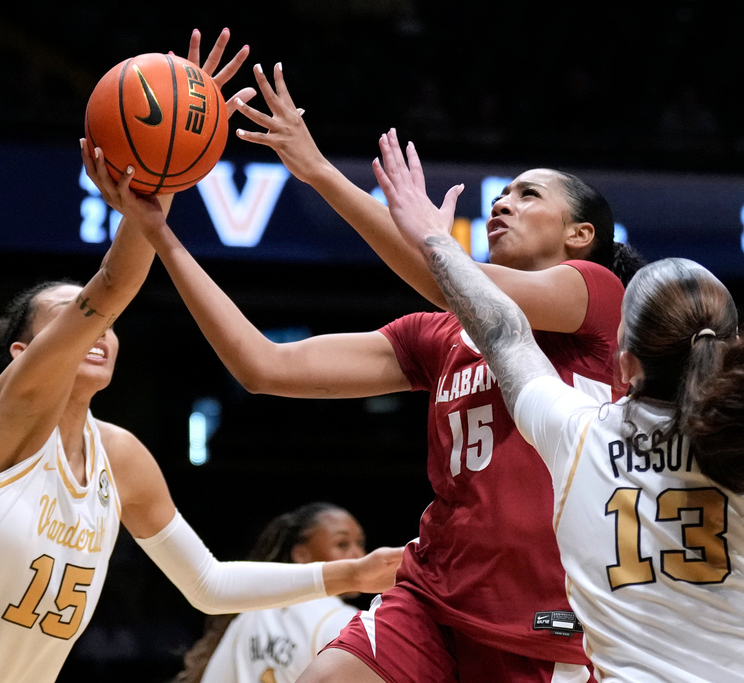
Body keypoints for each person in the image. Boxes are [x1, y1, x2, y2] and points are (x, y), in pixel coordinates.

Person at [0, 31, 402, 683]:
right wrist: (164, 174)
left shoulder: (119, 458)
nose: (98, 329)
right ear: (23, 354)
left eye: (104, 325)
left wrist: (354, 572)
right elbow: (111, 289)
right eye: (67, 318)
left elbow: (206, 582)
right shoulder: (1, 424)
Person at [136, 58, 645, 681]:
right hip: (433, 595)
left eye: (527, 194)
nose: (503, 204)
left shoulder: (596, 299)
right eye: (502, 194)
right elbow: (263, 366)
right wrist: (162, 237)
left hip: (543, 620)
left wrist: (324, 174)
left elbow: (454, 284)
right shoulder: (438, 336)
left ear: (580, 235)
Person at [372, 132, 744, 682]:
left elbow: (502, 331)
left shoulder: (575, 435)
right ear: (730, 345)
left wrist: (437, 239)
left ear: (624, 365)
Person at [177, 502, 369, 683]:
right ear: (301, 555)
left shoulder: (251, 613)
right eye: (342, 544)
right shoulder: (344, 622)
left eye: (360, 544)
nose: (358, 555)